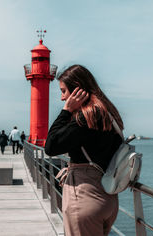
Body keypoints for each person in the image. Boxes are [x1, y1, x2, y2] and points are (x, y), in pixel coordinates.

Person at [45, 65, 123, 236]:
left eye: (64, 91)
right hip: (108, 197)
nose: (62, 97)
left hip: (84, 197)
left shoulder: (85, 118)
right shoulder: (108, 114)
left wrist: (66, 111)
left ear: (77, 90)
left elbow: (51, 146)